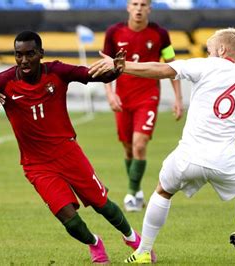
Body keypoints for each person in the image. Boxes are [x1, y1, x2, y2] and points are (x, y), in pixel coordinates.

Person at [0, 30, 155, 264]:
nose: (24, 60)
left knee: (101, 204)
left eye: (30, 54)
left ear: (40, 53)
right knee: (69, 219)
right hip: (36, 165)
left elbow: (93, 76)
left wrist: (115, 70)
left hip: (68, 153)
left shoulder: (57, 71)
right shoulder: (4, 81)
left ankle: (133, 239)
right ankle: (95, 243)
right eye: (18, 55)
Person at [89, 28, 235, 265]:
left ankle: (143, 251)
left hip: (188, 156)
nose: (208, 54)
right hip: (225, 159)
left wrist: (122, 66)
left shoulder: (206, 66)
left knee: (163, 190)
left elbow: (163, 69)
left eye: (209, 49)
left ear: (222, 50)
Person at [102, 0, 184, 212]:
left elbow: (171, 66)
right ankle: (137, 190)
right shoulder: (113, 33)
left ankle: (131, 194)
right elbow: (106, 66)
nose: (139, 8)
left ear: (150, 8)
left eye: (143, 4)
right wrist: (110, 94)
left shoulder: (160, 34)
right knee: (128, 148)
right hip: (123, 97)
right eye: (135, 4)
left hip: (148, 97)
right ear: (128, 7)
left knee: (139, 144)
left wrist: (178, 98)